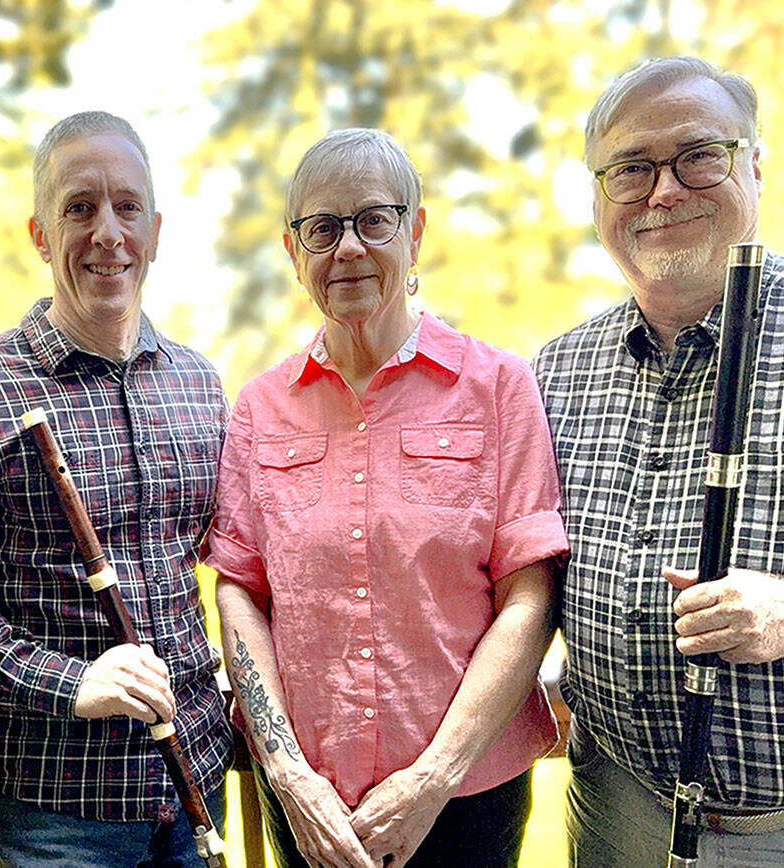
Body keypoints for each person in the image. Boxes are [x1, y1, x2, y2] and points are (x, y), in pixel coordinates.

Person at [205, 128, 567, 868]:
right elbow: (241, 591)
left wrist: (433, 779)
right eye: (322, 228)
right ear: (293, 252)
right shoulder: (260, 408)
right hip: (312, 803)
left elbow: (530, 596)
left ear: (415, 231)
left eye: (374, 220)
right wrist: (288, 774)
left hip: (469, 795)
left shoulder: (498, 387)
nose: (348, 248)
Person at [0, 110, 231, 867]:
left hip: (196, 783)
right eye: (80, 208)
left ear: (156, 231)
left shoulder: (200, 385)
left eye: (127, 207)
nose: (108, 233)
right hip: (59, 809)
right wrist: (69, 683)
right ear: (41, 235)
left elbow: (221, 565)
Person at [535, 56, 784, 866]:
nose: (665, 191)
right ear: (598, 199)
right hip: (614, 805)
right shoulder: (556, 370)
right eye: (632, 169)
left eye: (699, 156)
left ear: (754, 163)